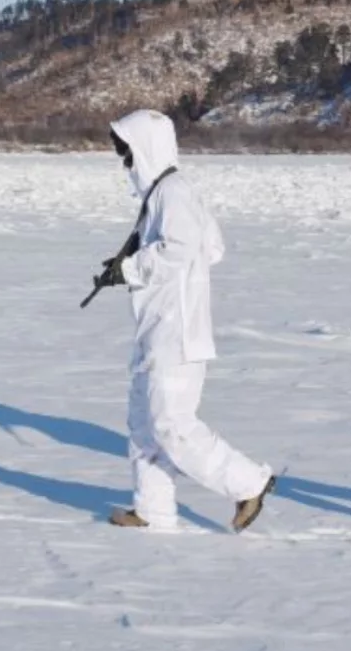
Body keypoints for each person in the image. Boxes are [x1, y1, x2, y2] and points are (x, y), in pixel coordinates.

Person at [96, 110, 276, 532]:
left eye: (127, 152)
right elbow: (211, 246)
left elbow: (182, 247)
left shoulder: (173, 193)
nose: (124, 162)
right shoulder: (165, 195)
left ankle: (249, 482)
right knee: (144, 424)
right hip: (156, 327)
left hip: (176, 333)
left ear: (147, 150)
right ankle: (152, 509)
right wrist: (129, 268)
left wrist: (131, 270)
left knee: (171, 426)